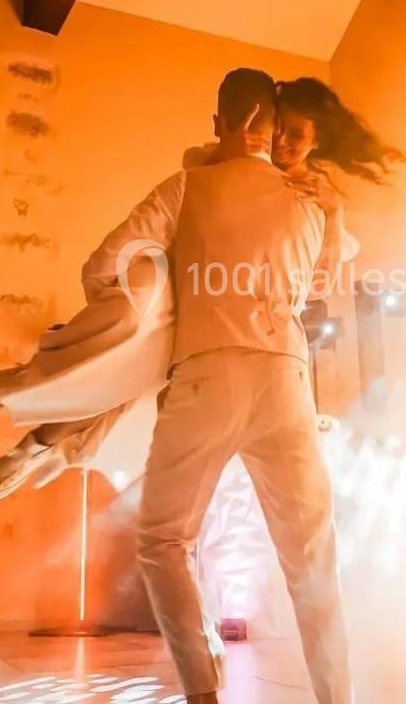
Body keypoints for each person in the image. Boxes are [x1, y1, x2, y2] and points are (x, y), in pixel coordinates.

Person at [0, 75, 403, 500]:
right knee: (130, 349)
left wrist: (332, 216)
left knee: (137, 372)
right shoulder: (212, 167)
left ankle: (36, 438)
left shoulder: (313, 203)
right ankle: (35, 425)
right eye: (278, 129)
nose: (281, 143)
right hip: (182, 289)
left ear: (317, 142)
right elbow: (194, 194)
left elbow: (315, 284)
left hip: (233, 324)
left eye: (296, 135)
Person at [112, 68, 350, 704]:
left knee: (163, 541)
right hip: (285, 380)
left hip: (205, 378)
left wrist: (148, 321)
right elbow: (325, 287)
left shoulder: (187, 186)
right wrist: (328, 208)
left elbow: (105, 265)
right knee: (311, 558)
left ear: (219, 122)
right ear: (272, 132)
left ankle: (202, 694)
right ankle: (338, 697)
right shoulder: (310, 201)